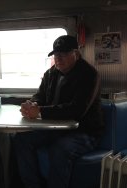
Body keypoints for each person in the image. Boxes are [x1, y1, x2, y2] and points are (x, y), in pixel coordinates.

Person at [12, 35, 104, 188]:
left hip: (84, 131)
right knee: (21, 139)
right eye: (55, 55)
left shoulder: (89, 74)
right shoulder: (51, 73)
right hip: (54, 127)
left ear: (76, 53)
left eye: (63, 54)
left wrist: (40, 111)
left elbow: (77, 110)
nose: (58, 59)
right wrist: (31, 104)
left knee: (60, 149)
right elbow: (40, 95)